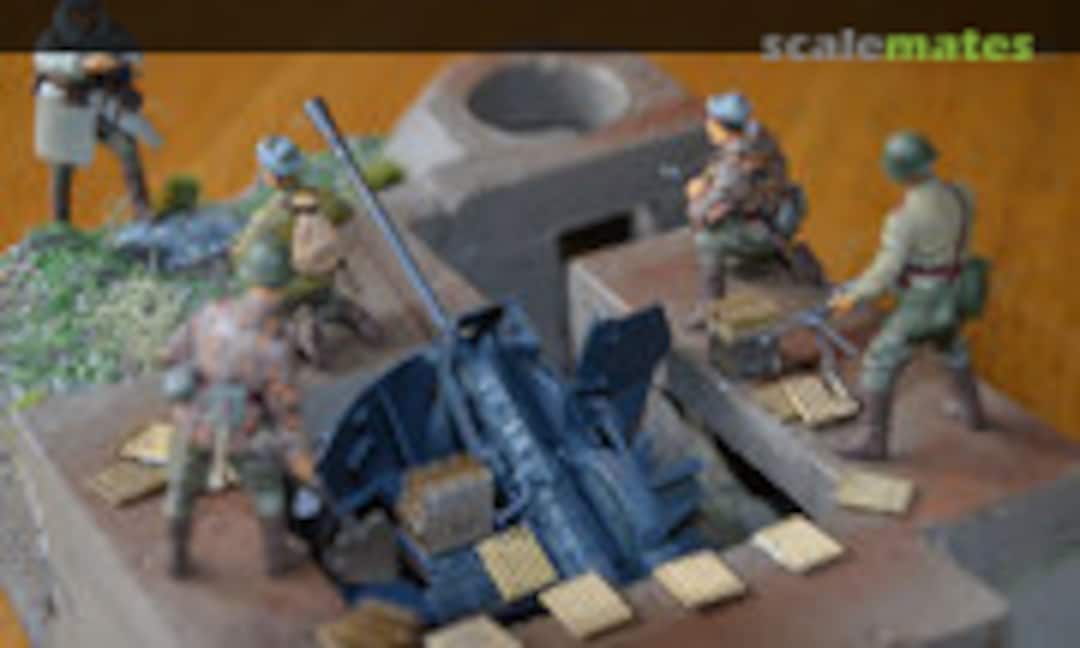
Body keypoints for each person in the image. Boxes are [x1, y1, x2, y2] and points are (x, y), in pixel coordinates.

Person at [160, 236, 315, 579]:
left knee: (181, 487)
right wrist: (298, 456)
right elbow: (284, 410)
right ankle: (276, 557)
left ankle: (176, 555)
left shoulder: (210, 314)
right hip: (244, 430)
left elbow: (170, 354)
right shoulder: (276, 346)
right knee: (268, 490)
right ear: (282, 289)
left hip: (195, 421)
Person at [828, 131, 988, 461]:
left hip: (923, 301)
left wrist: (852, 296)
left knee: (880, 360)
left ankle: (873, 440)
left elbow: (886, 271)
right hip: (956, 293)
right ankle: (972, 410)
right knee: (952, 345)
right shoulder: (962, 194)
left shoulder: (904, 219)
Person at [232, 135, 383, 365]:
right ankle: (352, 316)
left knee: (284, 311)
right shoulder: (324, 197)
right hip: (323, 272)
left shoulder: (268, 217)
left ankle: (306, 336)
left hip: (288, 284)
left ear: (272, 176)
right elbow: (345, 212)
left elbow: (245, 254)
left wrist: (239, 253)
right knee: (326, 299)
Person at [684, 92, 806, 330]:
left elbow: (705, 213)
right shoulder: (759, 140)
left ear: (723, 127)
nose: (707, 125)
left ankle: (710, 309)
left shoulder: (736, 165)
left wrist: (695, 196)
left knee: (707, 239)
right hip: (777, 211)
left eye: (711, 121)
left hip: (765, 227)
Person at [33, 0, 158, 223]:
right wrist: (82, 64)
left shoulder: (111, 34)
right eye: (79, 14)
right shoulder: (53, 38)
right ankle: (60, 223)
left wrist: (115, 61)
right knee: (62, 167)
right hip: (68, 109)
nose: (85, 19)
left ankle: (142, 209)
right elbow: (45, 61)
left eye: (89, 13)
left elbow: (134, 56)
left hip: (102, 107)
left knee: (127, 148)